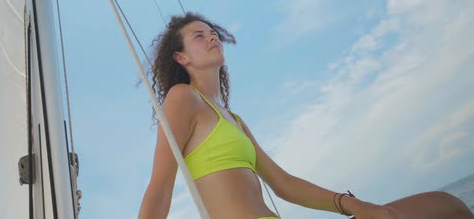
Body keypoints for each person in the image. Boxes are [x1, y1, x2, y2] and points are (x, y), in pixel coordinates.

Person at [138, 12, 473, 219]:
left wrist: (351, 205)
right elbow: (159, 188)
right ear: (181, 58)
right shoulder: (183, 99)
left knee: (446, 207)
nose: (211, 36)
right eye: (199, 35)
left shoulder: (234, 120)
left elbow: (284, 184)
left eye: (212, 32)